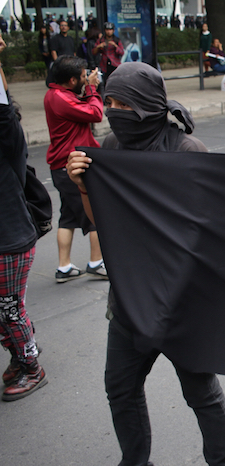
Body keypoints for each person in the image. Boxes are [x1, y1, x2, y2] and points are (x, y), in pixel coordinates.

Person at [65, 62, 225, 466]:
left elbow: (213, 232)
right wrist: (82, 186)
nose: (112, 111)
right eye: (107, 102)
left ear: (146, 103)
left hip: (182, 305)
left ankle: (224, 461)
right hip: (128, 300)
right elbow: (99, 222)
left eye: (122, 103)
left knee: (202, 394)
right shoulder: (109, 149)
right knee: (121, 389)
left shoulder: (186, 152)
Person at [0, 36, 48, 402]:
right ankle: (22, 354)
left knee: (8, 309)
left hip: (10, 237)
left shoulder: (6, 134)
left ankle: (32, 366)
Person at [43, 56, 106, 282]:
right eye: (81, 76)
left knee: (68, 217)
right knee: (95, 213)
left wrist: (86, 87)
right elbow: (96, 113)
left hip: (60, 165)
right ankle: (97, 262)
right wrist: (91, 89)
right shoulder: (62, 99)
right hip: (72, 165)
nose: (85, 78)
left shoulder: (55, 94)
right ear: (71, 80)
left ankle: (64, 267)